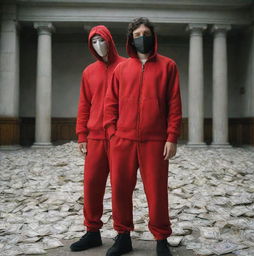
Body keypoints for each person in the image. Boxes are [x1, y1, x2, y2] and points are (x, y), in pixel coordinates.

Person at [103, 17, 182, 256]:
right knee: (120, 189)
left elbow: (174, 104)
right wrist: (112, 134)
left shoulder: (168, 66)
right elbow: (110, 104)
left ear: (153, 35)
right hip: (123, 141)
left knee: (157, 192)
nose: (142, 37)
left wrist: (172, 137)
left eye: (146, 33)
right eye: (137, 34)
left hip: (155, 142)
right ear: (130, 39)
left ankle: (161, 240)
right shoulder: (121, 69)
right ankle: (123, 237)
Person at [70, 25, 125, 252]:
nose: (99, 45)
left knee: (121, 186)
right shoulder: (88, 72)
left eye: (102, 40)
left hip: (120, 138)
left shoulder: (126, 67)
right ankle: (92, 231)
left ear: (110, 40)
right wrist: (82, 135)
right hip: (94, 138)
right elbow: (84, 105)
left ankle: (123, 235)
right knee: (92, 185)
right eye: (94, 41)